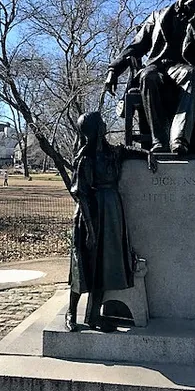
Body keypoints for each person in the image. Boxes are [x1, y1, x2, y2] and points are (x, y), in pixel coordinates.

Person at [104, 0, 195, 155]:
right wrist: (113, 70)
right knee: (148, 76)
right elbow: (136, 46)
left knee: (192, 74)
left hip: (184, 69)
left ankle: (179, 140)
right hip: (157, 67)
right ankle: (159, 141)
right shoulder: (157, 17)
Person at [66, 111, 156, 333]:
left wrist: (148, 154)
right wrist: (90, 229)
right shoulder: (85, 158)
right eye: (102, 123)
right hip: (91, 213)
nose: (106, 125)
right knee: (84, 266)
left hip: (111, 211)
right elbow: (81, 194)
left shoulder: (111, 152)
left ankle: (95, 315)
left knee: (104, 266)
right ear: (96, 129)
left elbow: (129, 151)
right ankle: (71, 313)